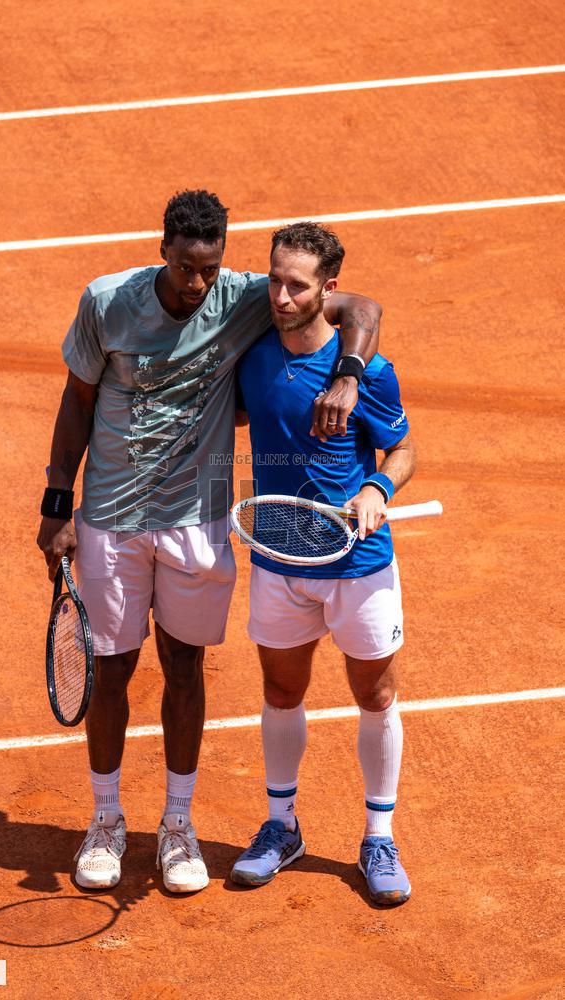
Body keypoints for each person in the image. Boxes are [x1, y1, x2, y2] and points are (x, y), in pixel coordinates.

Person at [36, 191, 383, 894]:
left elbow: (360, 310)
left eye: (210, 267)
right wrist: (56, 504)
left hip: (196, 520)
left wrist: (347, 375)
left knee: (184, 667)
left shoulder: (246, 297)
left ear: (224, 258)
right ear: (164, 248)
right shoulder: (107, 302)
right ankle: (105, 821)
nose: (196, 283)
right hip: (111, 517)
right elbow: (76, 403)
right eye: (186, 266)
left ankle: (177, 825)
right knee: (112, 672)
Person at [232, 221, 415, 906]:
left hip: (358, 564)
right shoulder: (251, 355)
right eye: (275, 279)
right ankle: (282, 827)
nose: (279, 296)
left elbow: (402, 450)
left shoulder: (367, 369)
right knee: (282, 692)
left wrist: (378, 488)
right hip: (280, 559)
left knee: (374, 694)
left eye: (296, 285)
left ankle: (378, 834)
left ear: (327, 289)